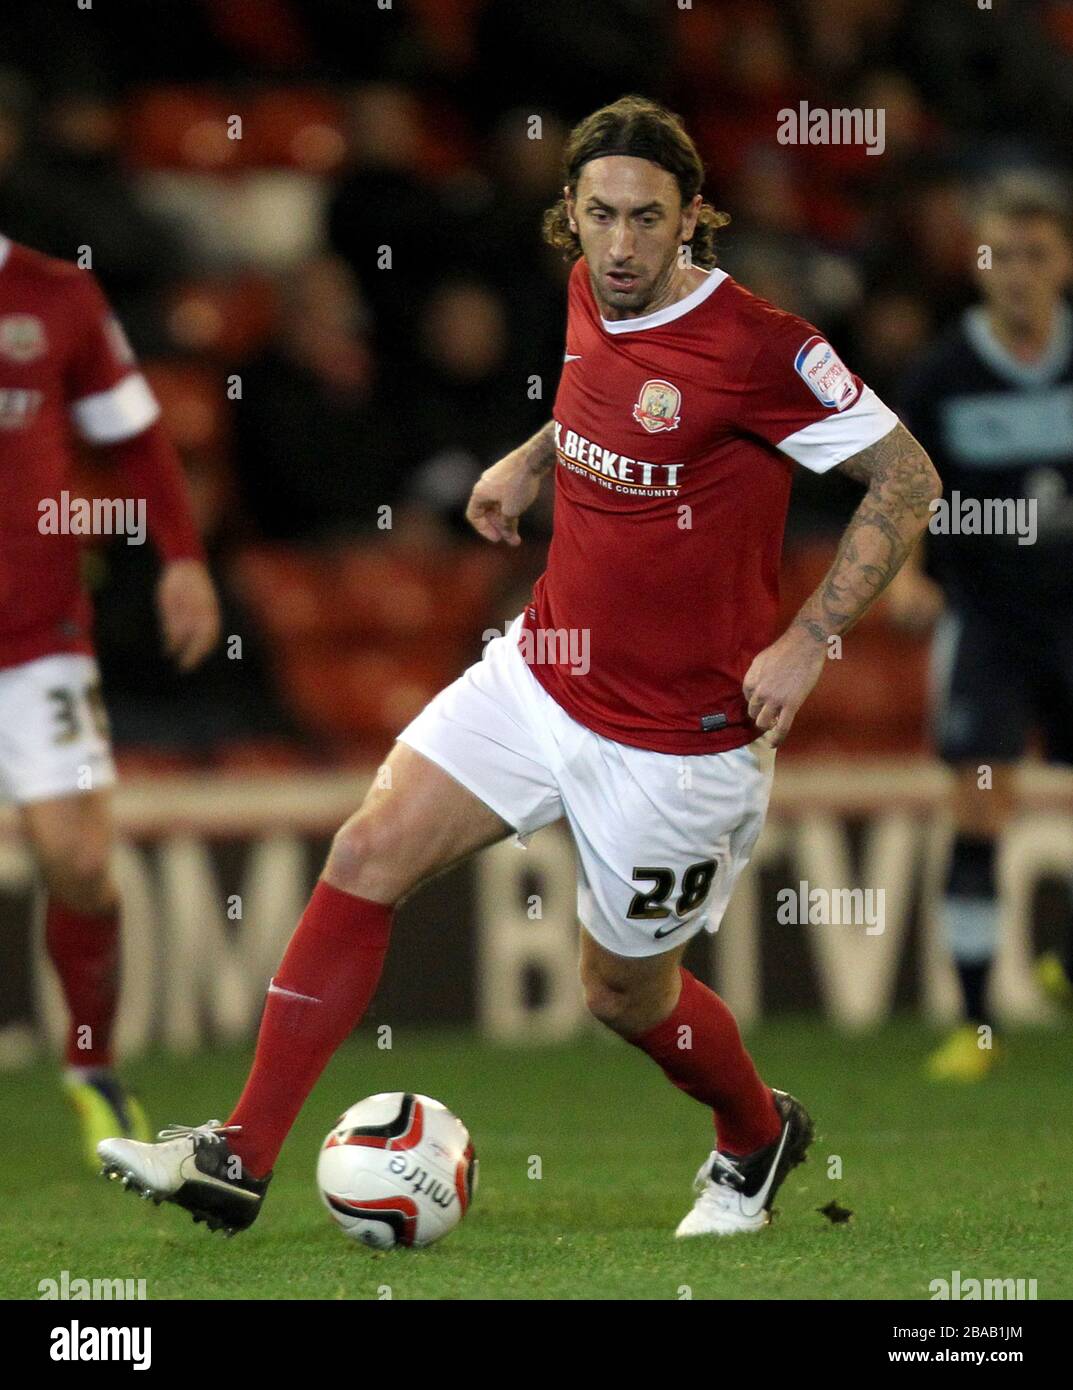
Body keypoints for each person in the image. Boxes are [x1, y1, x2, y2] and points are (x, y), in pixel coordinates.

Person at [99, 96, 939, 1239]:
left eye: (649, 219)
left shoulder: (763, 347)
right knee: (366, 847)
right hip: (542, 673)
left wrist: (807, 638)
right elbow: (605, 388)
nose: (624, 243)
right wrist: (533, 452)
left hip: (679, 742)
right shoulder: (590, 287)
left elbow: (905, 480)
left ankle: (752, 1131)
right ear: (571, 218)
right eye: (600, 216)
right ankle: (238, 1155)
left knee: (621, 994)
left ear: (693, 215)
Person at [0, 233, 220, 1164]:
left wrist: (181, 556)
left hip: (38, 635)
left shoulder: (55, 295)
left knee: (81, 864)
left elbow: (132, 428)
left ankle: (92, 1067)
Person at [889, 173, 1073, 1080]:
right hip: (990, 623)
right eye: (1001, 255)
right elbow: (905, 486)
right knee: (977, 807)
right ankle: (973, 1024)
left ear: (1064, 262)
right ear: (977, 264)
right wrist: (911, 572)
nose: (1018, 274)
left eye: (1036, 254)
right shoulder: (939, 374)